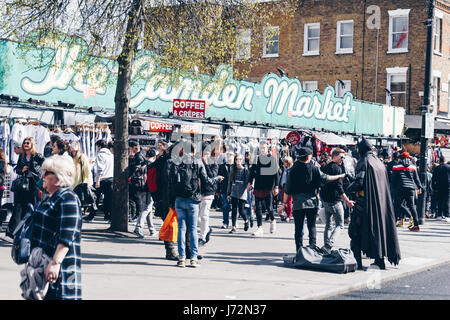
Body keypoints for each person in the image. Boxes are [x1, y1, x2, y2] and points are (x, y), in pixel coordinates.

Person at [31, 155, 82, 300]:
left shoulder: (68, 198)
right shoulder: (50, 197)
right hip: (43, 263)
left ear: (59, 177)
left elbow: (67, 236)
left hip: (61, 267)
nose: (43, 176)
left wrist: (55, 263)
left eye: (47, 172)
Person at [347, 138, 401, 270]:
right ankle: (379, 260)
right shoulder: (379, 162)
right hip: (380, 202)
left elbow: (359, 182)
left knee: (355, 232)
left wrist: (347, 188)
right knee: (378, 230)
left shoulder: (364, 161)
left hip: (364, 203)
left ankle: (357, 262)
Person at [167, 140, 223, 267]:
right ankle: (193, 258)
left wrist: (171, 201)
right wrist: (217, 179)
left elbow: (171, 183)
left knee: (181, 229)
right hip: (193, 199)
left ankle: (181, 258)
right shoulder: (198, 162)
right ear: (193, 151)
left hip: (179, 199)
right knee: (192, 229)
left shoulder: (176, 162)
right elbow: (207, 181)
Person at [281, 147, 346, 253]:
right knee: (312, 226)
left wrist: (283, 204)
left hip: (298, 203)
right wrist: (340, 175)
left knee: (298, 229)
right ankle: (312, 249)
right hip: (312, 203)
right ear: (308, 157)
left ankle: (299, 250)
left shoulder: (292, 170)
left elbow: (287, 190)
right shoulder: (314, 168)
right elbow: (327, 178)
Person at [319, 148, 355, 254]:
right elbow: (339, 188)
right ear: (334, 156)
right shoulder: (337, 169)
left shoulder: (326, 167)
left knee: (328, 225)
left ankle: (326, 246)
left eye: (344, 157)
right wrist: (347, 201)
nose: (342, 159)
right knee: (340, 224)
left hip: (326, 200)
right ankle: (329, 244)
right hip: (335, 201)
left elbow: (322, 184)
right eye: (341, 157)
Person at [7, 137, 44, 238]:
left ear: (32, 144)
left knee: (34, 207)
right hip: (24, 185)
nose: (25, 144)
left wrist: (39, 173)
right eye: (24, 143)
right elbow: (18, 169)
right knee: (19, 207)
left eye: (28, 143)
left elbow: (45, 165)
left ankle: (36, 231)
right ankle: (12, 233)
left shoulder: (37, 156)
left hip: (34, 185)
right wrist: (22, 170)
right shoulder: (22, 156)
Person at [247, 141, 279, 236]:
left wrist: (276, 186)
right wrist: (249, 183)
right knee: (258, 207)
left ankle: (273, 220)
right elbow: (252, 172)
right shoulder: (256, 159)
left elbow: (276, 174)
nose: (262, 149)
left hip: (269, 186)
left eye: (264, 148)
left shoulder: (272, 159)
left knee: (269, 207)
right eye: (260, 148)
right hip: (258, 185)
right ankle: (260, 227)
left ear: (267, 148)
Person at [392, 152, 423, 231]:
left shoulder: (396, 166)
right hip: (411, 188)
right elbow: (416, 178)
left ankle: (393, 225)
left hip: (400, 188)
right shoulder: (413, 167)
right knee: (412, 206)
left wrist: (394, 188)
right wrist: (419, 187)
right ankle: (416, 225)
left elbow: (393, 179)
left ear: (401, 158)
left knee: (397, 206)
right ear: (409, 158)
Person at [69, 141, 96, 219]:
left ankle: (78, 218)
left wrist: (89, 182)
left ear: (78, 147)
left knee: (79, 203)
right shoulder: (70, 157)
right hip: (71, 184)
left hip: (80, 184)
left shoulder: (82, 157)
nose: (72, 146)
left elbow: (88, 170)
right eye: (71, 145)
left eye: (74, 145)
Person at [133, 149, 157, 238]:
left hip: (140, 188)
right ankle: (138, 228)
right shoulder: (151, 165)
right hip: (148, 190)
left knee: (148, 209)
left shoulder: (142, 164)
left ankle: (152, 229)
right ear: (154, 157)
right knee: (146, 209)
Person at [198, 142, 217, 245]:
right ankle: (207, 229)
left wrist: (205, 164)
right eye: (204, 152)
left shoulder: (213, 163)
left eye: (208, 152)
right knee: (197, 218)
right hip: (197, 193)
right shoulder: (196, 162)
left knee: (204, 216)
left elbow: (211, 176)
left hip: (208, 192)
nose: (206, 154)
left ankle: (202, 237)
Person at [227, 153, 250, 233]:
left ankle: (246, 220)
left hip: (242, 192)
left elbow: (248, 182)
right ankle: (233, 227)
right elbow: (230, 182)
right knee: (233, 210)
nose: (238, 161)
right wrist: (228, 193)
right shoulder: (233, 170)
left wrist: (247, 189)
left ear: (242, 160)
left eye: (240, 159)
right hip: (234, 192)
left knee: (241, 210)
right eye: (237, 159)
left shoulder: (245, 170)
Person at [93, 139, 113, 222]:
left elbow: (100, 169)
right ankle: (108, 215)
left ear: (99, 146)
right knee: (108, 199)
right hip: (111, 178)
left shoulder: (100, 155)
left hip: (102, 179)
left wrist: (97, 181)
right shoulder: (111, 155)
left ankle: (92, 214)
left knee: (95, 198)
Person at [128, 140, 147, 223]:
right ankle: (134, 215)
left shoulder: (139, 157)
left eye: (130, 148)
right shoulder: (138, 156)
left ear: (133, 148)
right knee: (133, 198)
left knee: (136, 198)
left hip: (137, 181)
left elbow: (136, 169)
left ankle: (137, 215)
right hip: (136, 180)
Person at [218, 151, 234, 229]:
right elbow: (219, 178)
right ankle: (225, 222)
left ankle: (234, 222)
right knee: (225, 206)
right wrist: (218, 190)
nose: (229, 156)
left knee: (235, 206)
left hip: (234, 189)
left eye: (231, 155)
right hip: (224, 189)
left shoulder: (236, 166)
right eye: (228, 155)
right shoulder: (222, 166)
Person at [431, 155, 450, 222]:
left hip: (438, 186)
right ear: (445, 160)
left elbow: (433, 179)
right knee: (447, 201)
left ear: (439, 161)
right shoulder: (448, 167)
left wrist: (433, 187)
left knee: (440, 201)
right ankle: (447, 215)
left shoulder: (436, 168)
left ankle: (439, 215)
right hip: (447, 186)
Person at [279, 156, 293, 222]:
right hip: (283, 186)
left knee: (289, 202)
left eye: (284, 162)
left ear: (288, 162)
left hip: (289, 187)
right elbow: (281, 178)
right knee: (283, 201)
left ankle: (288, 216)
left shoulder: (291, 169)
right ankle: (285, 214)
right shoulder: (284, 169)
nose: (283, 163)